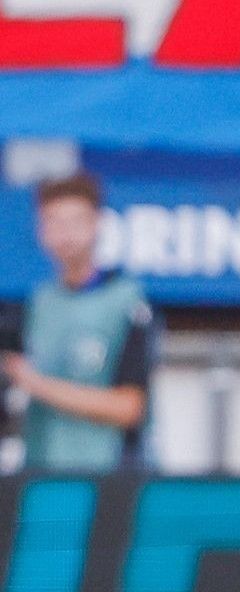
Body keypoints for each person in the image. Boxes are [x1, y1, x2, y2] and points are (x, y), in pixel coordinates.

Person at [0, 172, 155, 472]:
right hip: (41, 476)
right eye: (54, 222)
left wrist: (37, 384)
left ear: (97, 223)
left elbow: (130, 407)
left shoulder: (128, 302)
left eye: (76, 222)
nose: (66, 234)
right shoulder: (36, 305)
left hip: (108, 480)